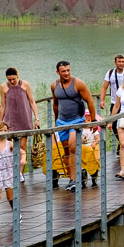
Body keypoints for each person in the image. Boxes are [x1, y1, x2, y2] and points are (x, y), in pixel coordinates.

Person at [50, 61, 99, 192]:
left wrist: (93, 120)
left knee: (72, 148)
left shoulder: (78, 83)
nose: (66, 73)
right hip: (62, 122)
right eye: (63, 71)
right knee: (66, 151)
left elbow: (89, 100)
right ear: (58, 72)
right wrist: (56, 121)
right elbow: (55, 104)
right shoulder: (54, 86)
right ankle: (72, 178)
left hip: (77, 120)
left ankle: (74, 179)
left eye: (68, 70)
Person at [0, 67, 39, 181]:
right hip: (10, 120)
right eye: (9, 79)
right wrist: (0, 121)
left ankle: (20, 174)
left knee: (22, 147)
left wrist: (37, 118)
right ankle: (11, 172)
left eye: (14, 79)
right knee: (10, 148)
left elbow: (32, 101)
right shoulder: (3, 87)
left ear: (18, 75)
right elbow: (3, 105)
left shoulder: (25, 85)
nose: (12, 81)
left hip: (23, 118)